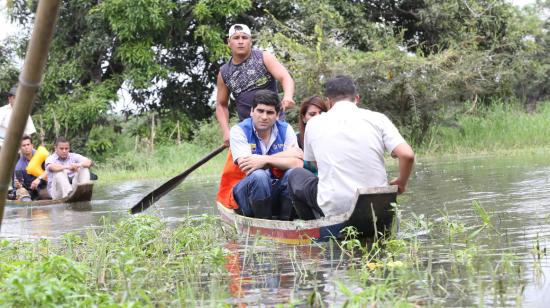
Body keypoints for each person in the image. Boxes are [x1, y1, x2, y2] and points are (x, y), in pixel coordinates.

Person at [288, 75, 415, 220]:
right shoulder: (378, 119)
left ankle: (314, 228)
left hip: (335, 205)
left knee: (295, 175)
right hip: (377, 204)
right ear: (357, 98)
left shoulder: (313, 124)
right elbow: (407, 155)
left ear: (329, 102)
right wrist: (401, 182)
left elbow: (319, 167)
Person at [216, 23, 295, 146]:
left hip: (274, 123)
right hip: (248, 129)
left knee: (281, 160)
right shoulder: (224, 72)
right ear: (229, 42)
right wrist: (226, 132)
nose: (241, 41)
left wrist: (288, 96)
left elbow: (285, 77)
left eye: (244, 37)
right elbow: (221, 105)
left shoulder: (263, 57)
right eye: (236, 38)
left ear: (250, 41)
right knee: (250, 163)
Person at [230, 90, 302, 219]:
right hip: (246, 195)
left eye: (270, 112)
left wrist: (265, 160)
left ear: (278, 115)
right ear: (252, 111)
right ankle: (264, 223)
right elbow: (247, 166)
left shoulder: (285, 129)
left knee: (294, 174)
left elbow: (298, 163)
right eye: (260, 111)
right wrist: (286, 155)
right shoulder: (239, 130)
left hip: (275, 191)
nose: (264, 117)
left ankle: (285, 221)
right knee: (259, 176)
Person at [12, 135, 49, 201]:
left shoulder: (41, 155)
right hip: (29, 190)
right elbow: (17, 185)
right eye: (23, 145)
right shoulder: (19, 166)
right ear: (20, 148)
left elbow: (51, 168)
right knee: (21, 192)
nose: (26, 147)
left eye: (28, 144)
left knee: (46, 196)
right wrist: (18, 185)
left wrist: (39, 179)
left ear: (32, 145)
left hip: (44, 185)